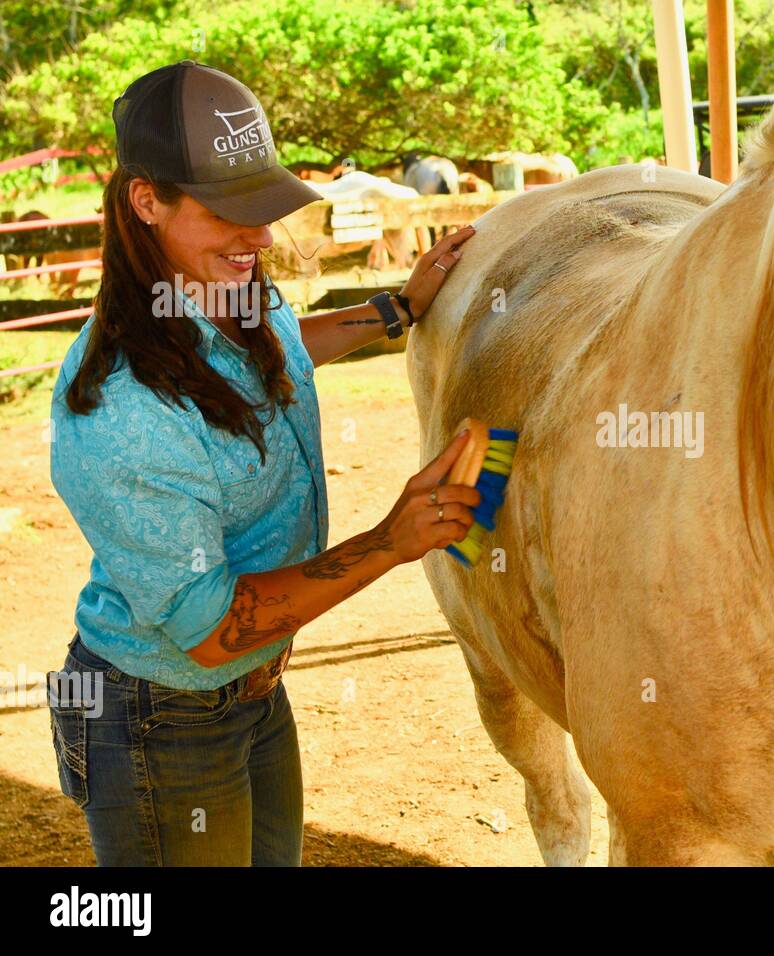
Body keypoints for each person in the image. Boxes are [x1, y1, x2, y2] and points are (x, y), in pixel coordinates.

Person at [45, 60, 479, 866]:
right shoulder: (124, 406)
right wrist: (391, 540)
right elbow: (210, 630)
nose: (259, 236)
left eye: (266, 208)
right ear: (147, 201)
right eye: (228, 212)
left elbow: (285, 344)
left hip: (250, 691)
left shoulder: (223, 296)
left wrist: (396, 308)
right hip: (163, 713)